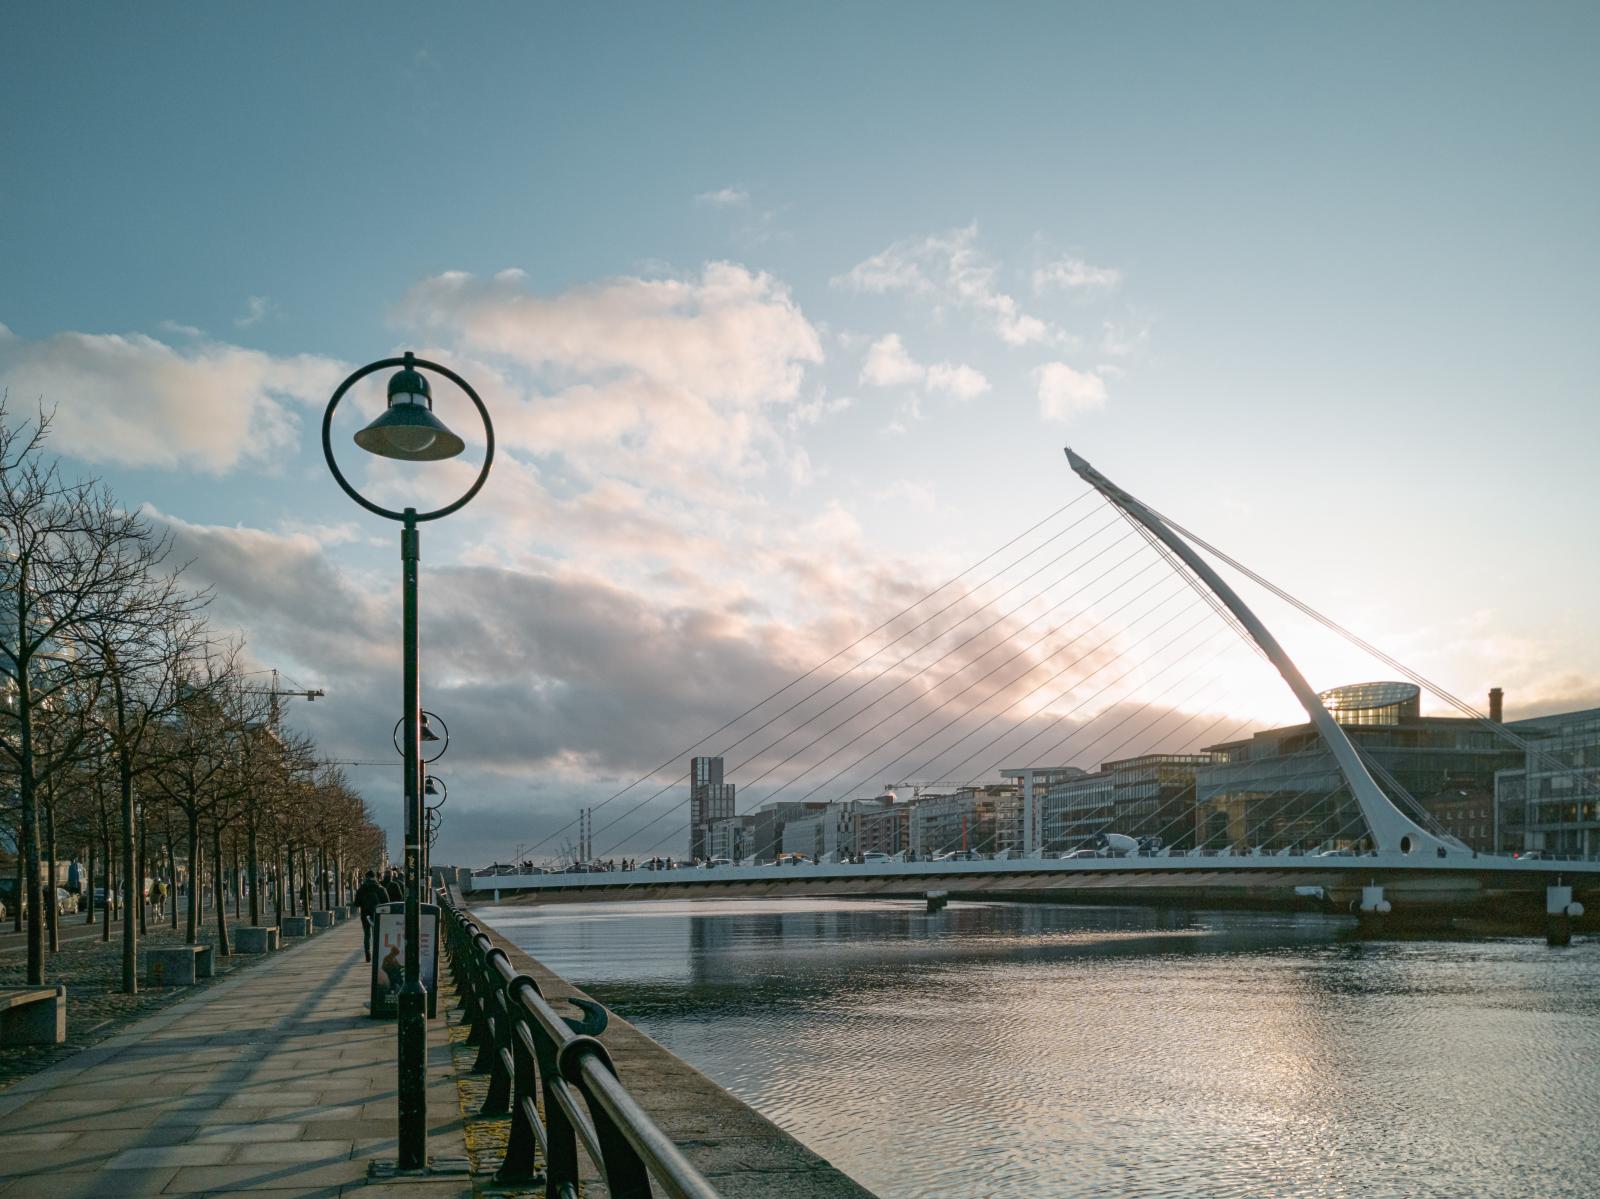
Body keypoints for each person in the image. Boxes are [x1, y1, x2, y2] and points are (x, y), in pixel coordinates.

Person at [354, 871, 386, 962]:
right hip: (378, 914)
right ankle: (377, 954)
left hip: (365, 914)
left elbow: (356, 903)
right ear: (375, 877)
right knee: (377, 934)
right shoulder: (380, 888)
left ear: (366, 877)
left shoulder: (362, 889)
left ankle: (367, 954)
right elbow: (387, 902)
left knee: (367, 935)